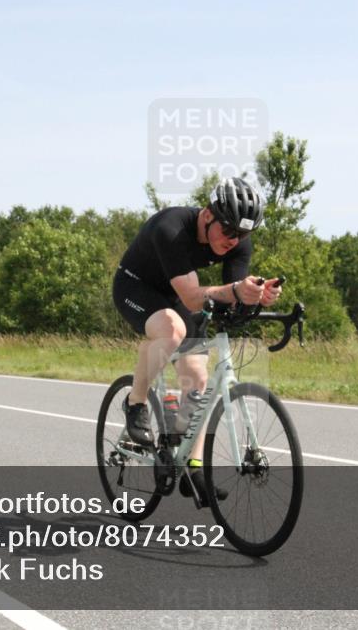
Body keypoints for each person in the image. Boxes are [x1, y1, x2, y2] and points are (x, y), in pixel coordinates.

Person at [111, 176, 282, 505]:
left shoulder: (238, 243)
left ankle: (192, 465)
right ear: (207, 215)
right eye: (228, 230)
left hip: (175, 296)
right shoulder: (172, 227)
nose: (234, 240)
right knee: (171, 330)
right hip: (135, 287)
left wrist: (257, 297)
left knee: (199, 382)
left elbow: (231, 297)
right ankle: (135, 404)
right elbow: (192, 298)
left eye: (243, 233)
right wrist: (235, 291)